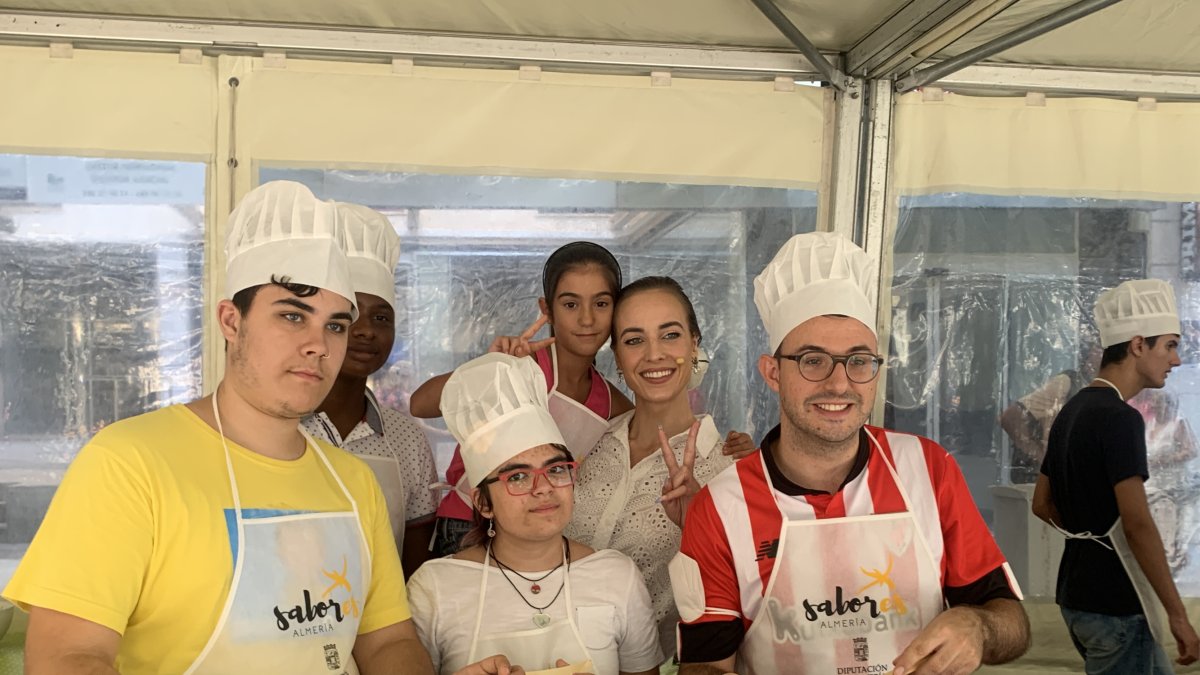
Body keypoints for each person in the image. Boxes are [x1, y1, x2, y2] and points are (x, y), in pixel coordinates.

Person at [2, 181, 433, 674]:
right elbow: (67, 656)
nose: (319, 345)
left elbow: (387, 642)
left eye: (335, 325)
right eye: (293, 316)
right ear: (231, 320)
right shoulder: (129, 463)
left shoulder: (354, 483)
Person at [670, 232, 1030, 674]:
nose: (839, 384)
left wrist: (979, 626)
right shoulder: (723, 508)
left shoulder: (927, 469)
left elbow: (1011, 621)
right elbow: (706, 665)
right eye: (813, 360)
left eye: (858, 360)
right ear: (772, 373)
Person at [407, 352, 663, 675]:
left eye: (556, 469)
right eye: (517, 476)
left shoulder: (618, 577)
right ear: (483, 503)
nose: (543, 488)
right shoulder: (434, 589)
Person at [1033, 278, 1200, 673]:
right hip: (1117, 606)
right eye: (1170, 345)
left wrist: (1089, 537)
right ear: (1139, 345)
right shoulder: (1120, 419)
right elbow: (1138, 524)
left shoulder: (1072, 411)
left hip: (1076, 597)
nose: (1176, 360)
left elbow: (1042, 504)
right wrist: (1178, 615)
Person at [566, 276, 733, 659]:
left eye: (670, 335)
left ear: (694, 344)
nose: (654, 354)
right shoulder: (584, 443)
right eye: (634, 339)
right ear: (618, 357)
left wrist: (697, 526)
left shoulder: (728, 470)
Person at [304, 202, 439, 578]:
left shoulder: (407, 439)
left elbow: (415, 566)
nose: (365, 330)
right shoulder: (281, 425)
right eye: (349, 316)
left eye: (381, 317)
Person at [999, 340, 1100, 484]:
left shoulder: (1106, 395)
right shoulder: (1067, 383)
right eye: (1099, 347)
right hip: (1042, 484)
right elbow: (1011, 417)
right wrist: (1041, 457)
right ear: (1089, 352)